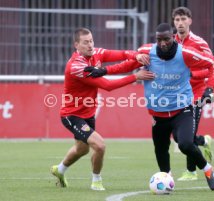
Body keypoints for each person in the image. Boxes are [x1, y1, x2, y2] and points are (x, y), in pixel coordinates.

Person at [84, 23, 214, 191]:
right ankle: (167, 179)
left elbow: (212, 64)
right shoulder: (147, 52)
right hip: (158, 113)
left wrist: (210, 88)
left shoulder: (185, 53)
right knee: (161, 149)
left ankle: (207, 169)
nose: (163, 43)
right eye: (159, 40)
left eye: (167, 39)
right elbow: (127, 65)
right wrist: (104, 71)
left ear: (173, 37)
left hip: (182, 109)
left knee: (184, 143)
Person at [50, 27, 154, 191]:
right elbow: (108, 86)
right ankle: (96, 181)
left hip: (88, 113)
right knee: (99, 145)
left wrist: (137, 56)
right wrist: (136, 76)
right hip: (72, 114)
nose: (90, 45)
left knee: (82, 149)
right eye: (85, 42)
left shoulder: (96, 53)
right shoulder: (76, 66)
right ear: (76, 45)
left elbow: (121, 55)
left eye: (91, 41)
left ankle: (59, 170)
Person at [172, 7, 214, 181]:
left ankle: (191, 172)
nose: (180, 23)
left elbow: (212, 66)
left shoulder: (199, 43)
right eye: (177, 20)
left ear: (190, 21)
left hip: (196, 93)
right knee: (178, 136)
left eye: (183, 19)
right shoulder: (171, 43)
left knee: (188, 136)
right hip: (177, 94)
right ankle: (203, 141)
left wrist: (210, 87)